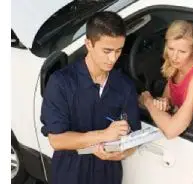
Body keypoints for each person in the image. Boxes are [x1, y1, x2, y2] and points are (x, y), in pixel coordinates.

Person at [40, 11, 141, 184]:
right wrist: (103, 135)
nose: (113, 58)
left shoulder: (125, 86)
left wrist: (123, 153)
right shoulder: (62, 82)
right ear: (88, 44)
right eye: (107, 51)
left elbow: (134, 138)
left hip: (108, 174)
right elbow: (56, 139)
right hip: (70, 173)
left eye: (118, 51)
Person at [139, 20, 193, 139]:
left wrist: (148, 101)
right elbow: (167, 100)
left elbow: (171, 131)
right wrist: (163, 103)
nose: (174, 56)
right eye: (171, 49)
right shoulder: (177, 65)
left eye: (182, 52)